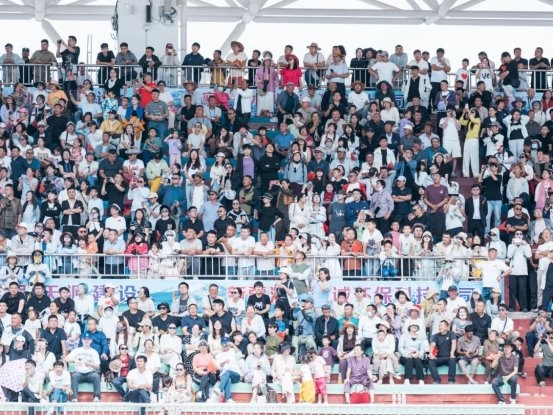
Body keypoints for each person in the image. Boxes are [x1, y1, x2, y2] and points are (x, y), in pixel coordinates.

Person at [64, 332, 101, 402]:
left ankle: (96, 397)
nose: (86, 341)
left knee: (96, 376)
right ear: (82, 340)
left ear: (91, 341)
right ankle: (74, 398)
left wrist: (89, 364)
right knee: (74, 376)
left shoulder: (94, 352)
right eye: (85, 339)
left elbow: (97, 366)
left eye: (88, 339)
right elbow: (66, 359)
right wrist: (74, 360)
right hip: (79, 372)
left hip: (90, 373)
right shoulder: (77, 350)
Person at [428, 320, 457, 384]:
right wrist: (431, 353)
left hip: (449, 357)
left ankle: (451, 380)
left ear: (446, 327)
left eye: (441, 326)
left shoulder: (451, 333)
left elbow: (454, 343)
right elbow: (432, 345)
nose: (440, 327)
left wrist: (452, 353)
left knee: (452, 360)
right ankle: (437, 380)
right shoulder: (436, 336)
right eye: (439, 326)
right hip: (439, 357)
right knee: (431, 361)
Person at [491, 340, 519, 405]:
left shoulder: (515, 357)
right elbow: (492, 366)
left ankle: (513, 398)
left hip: (510, 375)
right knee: (494, 383)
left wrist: (508, 377)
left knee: (514, 378)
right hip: (501, 376)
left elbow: (515, 371)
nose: (506, 348)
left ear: (511, 348)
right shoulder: (501, 356)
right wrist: (497, 357)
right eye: (505, 347)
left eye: (508, 347)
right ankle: (501, 400)